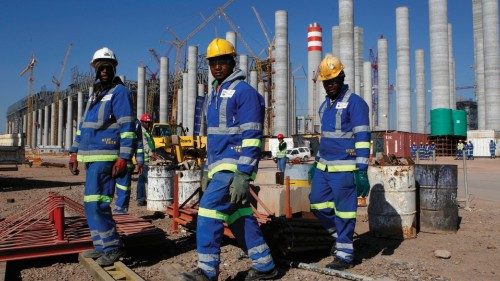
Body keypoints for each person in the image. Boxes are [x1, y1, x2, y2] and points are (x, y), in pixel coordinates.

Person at [180, 38, 277, 281]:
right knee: (238, 217)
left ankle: (207, 272)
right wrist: (206, 171)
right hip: (219, 169)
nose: (217, 66)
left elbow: (252, 136)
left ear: (232, 61)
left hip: (233, 169)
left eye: (222, 61)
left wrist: (244, 174)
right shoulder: (215, 94)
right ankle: (266, 267)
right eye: (212, 62)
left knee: (208, 213)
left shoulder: (244, 92)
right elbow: (214, 139)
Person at [68, 47, 134, 266]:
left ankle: (113, 247)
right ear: (94, 68)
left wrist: (124, 157)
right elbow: (83, 127)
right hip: (91, 157)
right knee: (90, 204)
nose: (104, 70)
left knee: (98, 204)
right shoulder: (95, 93)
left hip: (106, 156)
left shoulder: (119, 92)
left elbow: (127, 126)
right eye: (100, 66)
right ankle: (101, 246)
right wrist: (73, 152)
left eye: (108, 66)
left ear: (114, 67)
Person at [309, 55, 370, 270]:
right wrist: (315, 163)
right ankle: (341, 237)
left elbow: (363, 138)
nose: (331, 85)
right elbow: (324, 139)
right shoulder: (325, 106)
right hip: (324, 168)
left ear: (342, 78)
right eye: (327, 82)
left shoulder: (356, 103)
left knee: (345, 212)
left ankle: (344, 255)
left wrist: (362, 170)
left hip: (345, 169)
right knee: (317, 204)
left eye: (334, 80)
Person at [113, 118, 144, 214]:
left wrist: (140, 161)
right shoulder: (135, 122)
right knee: (119, 186)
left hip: (122, 160)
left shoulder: (135, 122)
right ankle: (119, 210)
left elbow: (139, 144)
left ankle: (120, 210)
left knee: (122, 186)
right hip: (119, 158)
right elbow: (139, 144)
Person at [136, 113, 156, 206]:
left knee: (141, 180)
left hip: (147, 160)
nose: (148, 124)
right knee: (149, 179)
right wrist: (152, 154)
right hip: (144, 160)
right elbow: (145, 145)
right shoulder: (142, 132)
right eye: (146, 122)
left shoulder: (147, 132)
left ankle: (141, 199)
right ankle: (152, 198)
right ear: (142, 122)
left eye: (149, 123)